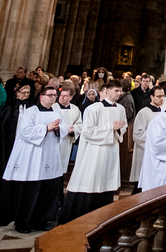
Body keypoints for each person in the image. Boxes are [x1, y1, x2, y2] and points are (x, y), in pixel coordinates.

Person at [0, 86, 65, 233]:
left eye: (55, 95)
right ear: (41, 96)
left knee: (47, 189)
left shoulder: (57, 112)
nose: (54, 97)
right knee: (29, 191)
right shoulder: (31, 111)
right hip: (31, 155)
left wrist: (58, 129)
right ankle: (23, 223)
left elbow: (63, 129)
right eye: (50, 95)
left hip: (49, 155)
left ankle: (42, 220)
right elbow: (25, 131)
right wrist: (46, 128)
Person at [58, 79, 128, 223]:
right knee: (90, 179)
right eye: (116, 90)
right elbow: (87, 132)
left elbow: (123, 127)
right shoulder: (94, 108)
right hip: (94, 152)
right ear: (107, 91)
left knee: (106, 182)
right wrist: (110, 127)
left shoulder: (120, 109)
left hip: (111, 151)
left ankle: (102, 218)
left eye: (120, 91)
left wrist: (118, 129)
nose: (119, 94)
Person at [130, 86, 165, 187]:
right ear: (151, 97)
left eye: (163, 96)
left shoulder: (164, 112)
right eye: (158, 96)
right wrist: (155, 139)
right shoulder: (144, 112)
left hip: (159, 151)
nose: (161, 99)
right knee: (142, 182)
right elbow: (137, 134)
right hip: (145, 151)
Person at [55, 87, 81, 172]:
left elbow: (79, 123)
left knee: (63, 163)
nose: (62, 98)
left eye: (65, 96)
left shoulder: (75, 109)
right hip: (55, 138)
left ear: (71, 97)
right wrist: (64, 129)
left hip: (67, 139)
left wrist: (74, 130)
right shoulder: (53, 107)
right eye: (61, 95)